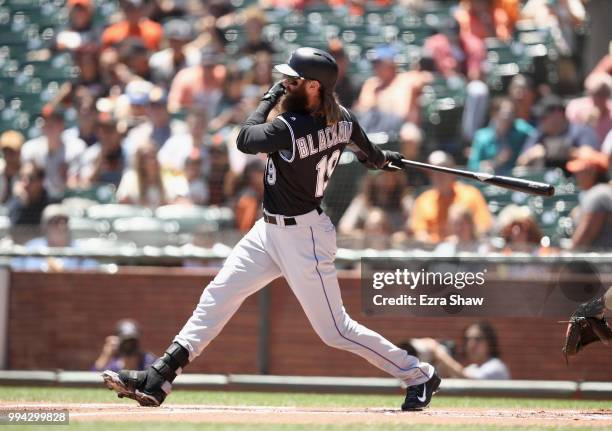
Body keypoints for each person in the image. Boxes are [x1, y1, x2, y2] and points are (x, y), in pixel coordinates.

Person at [103, 47, 441, 411]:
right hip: (269, 231)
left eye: (293, 80)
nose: (285, 83)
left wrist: (269, 97)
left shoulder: (291, 127)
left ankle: (418, 374)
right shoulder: (342, 118)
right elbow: (370, 155)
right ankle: (160, 375)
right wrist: (384, 159)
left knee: (335, 330)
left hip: (303, 237)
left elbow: (245, 138)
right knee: (218, 295)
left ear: (313, 87)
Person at [410, 151, 492, 243]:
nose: (437, 175)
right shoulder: (423, 200)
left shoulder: (471, 195)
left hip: (465, 250)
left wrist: (461, 238)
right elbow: (419, 233)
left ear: (452, 171)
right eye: (432, 171)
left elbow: (483, 226)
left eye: (442, 170)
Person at [20, 106, 86, 199]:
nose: (48, 125)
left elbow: (76, 184)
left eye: (53, 122)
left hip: (66, 198)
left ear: (62, 125)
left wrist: (67, 179)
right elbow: (24, 180)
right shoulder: (30, 148)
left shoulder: (76, 147)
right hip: (39, 199)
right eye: (46, 122)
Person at [517, 95, 599, 170]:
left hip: (574, 182)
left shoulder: (579, 131)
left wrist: (567, 152)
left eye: (544, 117)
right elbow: (520, 161)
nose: (541, 121)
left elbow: (591, 156)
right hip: (547, 181)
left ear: (559, 114)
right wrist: (531, 155)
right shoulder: (540, 133)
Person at [11, 204, 98, 271]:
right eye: (55, 221)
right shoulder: (32, 247)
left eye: (65, 221)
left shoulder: (80, 250)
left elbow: (92, 271)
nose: (61, 226)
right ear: (44, 226)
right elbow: (15, 269)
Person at [416, 321, 510, 379]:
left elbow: (469, 380)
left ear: (490, 342)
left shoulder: (496, 367)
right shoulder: (472, 368)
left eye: (478, 339)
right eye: (468, 339)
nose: (471, 344)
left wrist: (439, 353)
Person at [468, 98, 536, 174]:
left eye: (512, 113)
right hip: (490, 181)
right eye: (505, 113)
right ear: (494, 113)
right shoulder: (482, 137)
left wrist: (530, 153)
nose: (508, 117)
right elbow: (472, 165)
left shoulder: (519, 129)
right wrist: (491, 164)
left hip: (514, 180)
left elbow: (537, 135)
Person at [566, 148, 611, 250]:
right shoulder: (600, 192)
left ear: (592, 171)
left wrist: (565, 261)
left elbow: (585, 236)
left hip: (601, 264)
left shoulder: (598, 194)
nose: (576, 176)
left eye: (580, 171)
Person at [565, 73, 612, 146]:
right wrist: (583, 121)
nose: (599, 98)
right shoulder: (576, 107)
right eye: (596, 93)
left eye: (603, 93)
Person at [0, 131, 24, 204]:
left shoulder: (27, 175)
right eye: (5, 151)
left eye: (12, 151)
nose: (8, 155)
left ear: (20, 151)